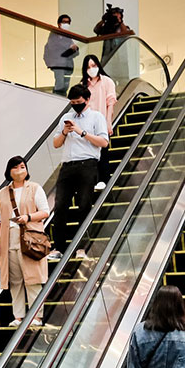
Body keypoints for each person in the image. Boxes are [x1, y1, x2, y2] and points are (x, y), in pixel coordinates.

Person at [47, 84, 109, 261]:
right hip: (67, 166)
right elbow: (56, 144)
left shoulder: (96, 117)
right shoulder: (66, 118)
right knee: (60, 206)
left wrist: (82, 132)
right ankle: (58, 247)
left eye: (78, 102)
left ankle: (81, 247)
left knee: (83, 206)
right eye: (72, 103)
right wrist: (65, 132)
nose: (75, 105)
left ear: (87, 100)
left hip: (87, 165)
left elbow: (104, 142)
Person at [0, 156, 50, 327]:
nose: (19, 170)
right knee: (15, 279)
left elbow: (45, 211)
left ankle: (36, 316)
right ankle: (18, 316)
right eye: (15, 167)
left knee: (32, 278)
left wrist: (28, 217)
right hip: (8, 238)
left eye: (22, 167)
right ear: (9, 171)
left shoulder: (35, 188)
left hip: (29, 238)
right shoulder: (3, 193)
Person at [80, 54, 118, 190]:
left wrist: (108, 122)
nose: (91, 69)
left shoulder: (107, 81)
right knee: (88, 153)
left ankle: (104, 179)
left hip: (101, 121)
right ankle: (92, 180)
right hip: (87, 123)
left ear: (98, 65)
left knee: (103, 151)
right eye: (88, 67)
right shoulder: (83, 85)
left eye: (94, 65)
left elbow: (110, 103)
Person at [43, 14, 79, 95]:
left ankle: (62, 98)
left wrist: (75, 48)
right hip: (58, 65)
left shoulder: (68, 36)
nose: (66, 24)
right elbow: (54, 48)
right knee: (60, 85)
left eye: (68, 22)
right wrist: (69, 48)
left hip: (68, 65)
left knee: (65, 86)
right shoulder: (53, 35)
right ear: (59, 24)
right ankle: (57, 98)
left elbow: (75, 52)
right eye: (64, 22)